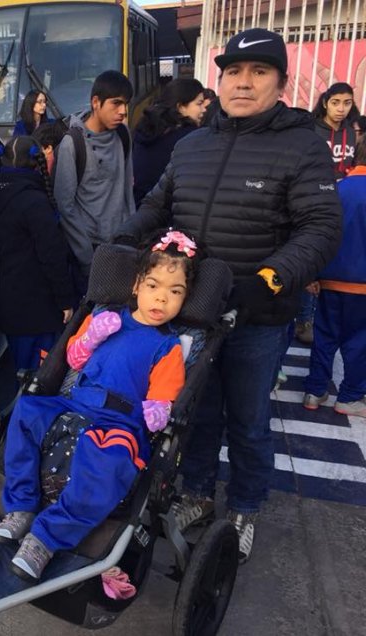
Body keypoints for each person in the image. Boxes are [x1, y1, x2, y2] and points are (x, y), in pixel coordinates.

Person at [114, 28, 342, 563]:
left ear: (280, 83)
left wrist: (275, 274)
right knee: (194, 410)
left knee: (246, 418)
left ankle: (244, 506)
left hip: (258, 314)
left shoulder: (301, 145)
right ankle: (196, 494)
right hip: (192, 307)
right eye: (234, 72)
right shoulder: (191, 144)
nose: (244, 82)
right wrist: (127, 237)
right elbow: (157, 205)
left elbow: (321, 227)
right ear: (219, 81)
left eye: (259, 72)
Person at [0, 232, 196, 581]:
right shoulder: (107, 317)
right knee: (27, 411)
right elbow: (73, 357)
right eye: (153, 285)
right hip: (77, 401)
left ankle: (45, 538)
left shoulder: (169, 346)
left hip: (121, 420)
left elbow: (163, 393)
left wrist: (158, 411)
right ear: (136, 286)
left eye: (175, 292)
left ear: (184, 298)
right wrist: (92, 336)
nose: (162, 297)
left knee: (109, 460)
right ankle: (21, 507)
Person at [0, 136, 76, 372]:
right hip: (39, 307)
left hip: (12, 304)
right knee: (41, 376)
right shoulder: (35, 202)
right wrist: (65, 299)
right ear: (36, 164)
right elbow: (52, 256)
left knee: (20, 372)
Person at [53, 70, 135, 295]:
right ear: (96, 102)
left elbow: (128, 186)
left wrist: (132, 235)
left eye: (126, 104)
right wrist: (87, 258)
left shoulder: (123, 135)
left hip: (122, 246)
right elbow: (65, 205)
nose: (122, 112)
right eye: (116, 103)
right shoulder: (73, 144)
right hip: (90, 252)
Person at [302, 137, 366, 417]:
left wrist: (312, 272)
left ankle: (315, 391)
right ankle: (350, 396)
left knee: (325, 336)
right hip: (363, 286)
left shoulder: (337, 189)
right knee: (359, 342)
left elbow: (318, 232)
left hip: (329, 278)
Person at [132, 78, 206, 206]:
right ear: (180, 107)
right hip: (168, 213)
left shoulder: (144, 128)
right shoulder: (190, 138)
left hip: (139, 208)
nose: (203, 109)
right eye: (199, 104)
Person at [312, 82, 358, 178]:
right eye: (335, 103)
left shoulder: (351, 133)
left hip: (343, 189)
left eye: (347, 103)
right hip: (316, 187)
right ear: (325, 103)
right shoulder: (312, 129)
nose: (341, 109)